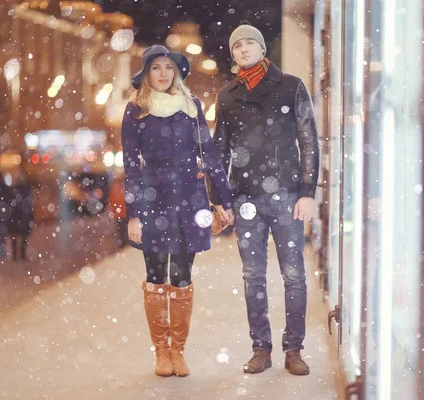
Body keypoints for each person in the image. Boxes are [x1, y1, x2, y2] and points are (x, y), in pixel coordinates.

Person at [212, 22, 320, 375]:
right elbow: (219, 150)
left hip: (287, 195)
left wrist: (307, 193)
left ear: (261, 49)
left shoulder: (290, 87)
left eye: (249, 44)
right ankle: (261, 348)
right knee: (253, 276)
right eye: (237, 45)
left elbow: (308, 142)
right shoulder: (227, 95)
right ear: (233, 54)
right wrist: (221, 199)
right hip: (246, 200)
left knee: (293, 276)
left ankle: (294, 349)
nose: (243, 49)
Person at [121, 45, 234, 378]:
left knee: (182, 277)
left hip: (190, 198)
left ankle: (178, 351)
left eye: (169, 67)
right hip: (152, 198)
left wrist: (222, 199)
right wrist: (134, 213)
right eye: (156, 67)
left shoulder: (191, 105)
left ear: (177, 73)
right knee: (156, 277)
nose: (163, 74)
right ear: (146, 73)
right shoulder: (136, 110)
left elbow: (209, 153)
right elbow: (130, 166)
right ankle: (160, 351)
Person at [8, 169, 34, 261]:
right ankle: (22, 254)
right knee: (24, 236)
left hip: (15, 216)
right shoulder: (27, 190)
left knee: (14, 236)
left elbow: (10, 204)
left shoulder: (13, 190)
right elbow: (29, 204)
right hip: (24, 216)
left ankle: (15, 255)